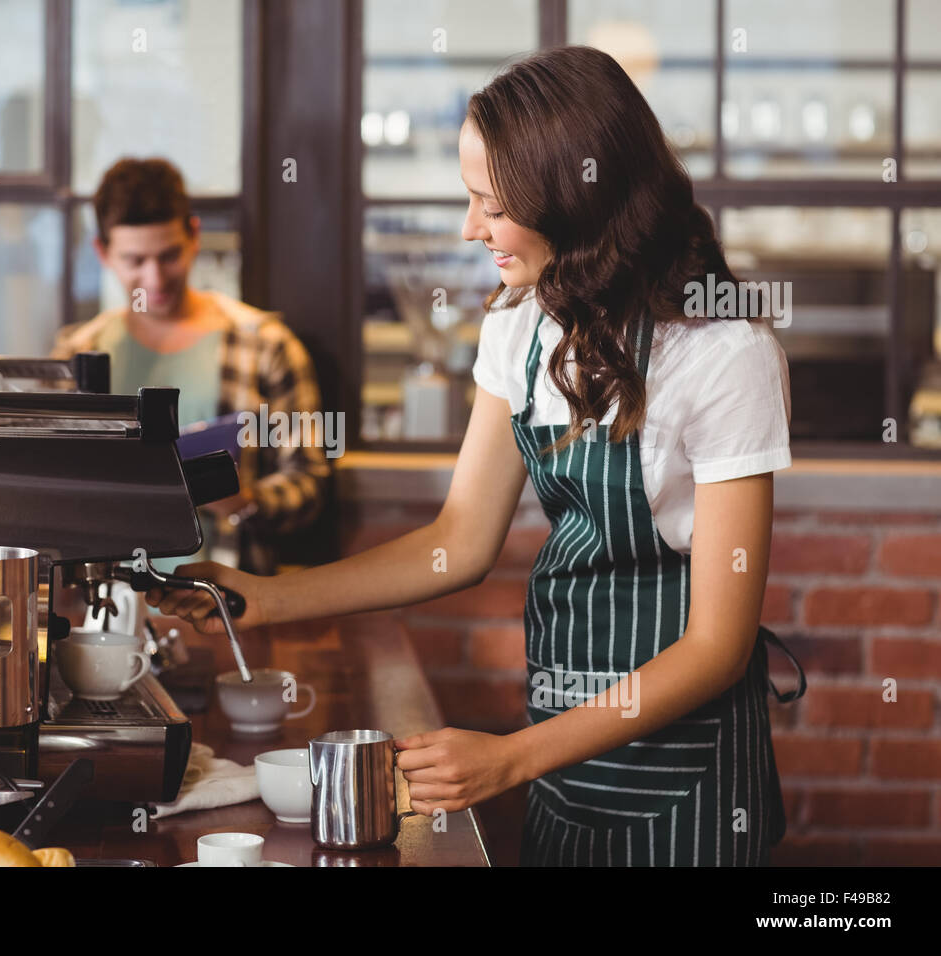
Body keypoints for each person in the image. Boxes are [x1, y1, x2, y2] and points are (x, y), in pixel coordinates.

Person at [147, 45, 807, 866]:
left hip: (684, 779)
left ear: (572, 201)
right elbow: (457, 541)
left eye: (490, 205)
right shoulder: (522, 326)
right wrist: (263, 600)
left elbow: (719, 646)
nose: (471, 228)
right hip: (565, 759)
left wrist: (509, 756)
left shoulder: (723, 357)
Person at [52, 158, 329, 574]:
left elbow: (309, 482)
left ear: (194, 236)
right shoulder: (76, 353)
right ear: (102, 253)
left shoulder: (266, 346)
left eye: (169, 256)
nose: (155, 278)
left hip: (222, 591)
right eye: (135, 260)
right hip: (105, 599)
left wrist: (243, 501)